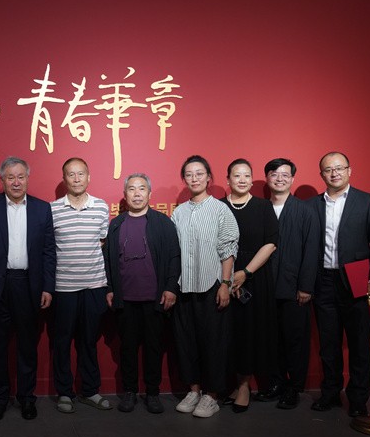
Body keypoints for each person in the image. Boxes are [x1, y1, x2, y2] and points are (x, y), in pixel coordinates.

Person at [0, 156, 56, 421]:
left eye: (21, 176)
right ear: (2, 180)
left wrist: (48, 287)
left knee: (27, 348)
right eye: (10, 177)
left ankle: (27, 398)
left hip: (29, 286)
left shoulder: (42, 209)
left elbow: (49, 251)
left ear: (27, 178)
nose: (16, 182)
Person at [309, 151, 370, 418]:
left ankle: (357, 399)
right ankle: (330, 393)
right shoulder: (312, 205)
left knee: (359, 343)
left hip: (357, 279)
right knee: (328, 343)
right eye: (328, 170)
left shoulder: (367, 201)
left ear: (349, 170)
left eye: (339, 168)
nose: (334, 173)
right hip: (323, 281)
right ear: (322, 174)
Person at [104, 173, 181, 414]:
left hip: (155, 298)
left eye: (141, 189)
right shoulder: (116, 224)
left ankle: (153, 393)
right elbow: (108, 260)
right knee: (127, 348)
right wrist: (110, 289)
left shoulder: (163, 222)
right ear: (125, 195)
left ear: (149, 193)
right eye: (131, 189)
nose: (136, 194)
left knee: (153, 348)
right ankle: (129, 392)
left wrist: (171, 287)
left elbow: (174, 257)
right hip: (125, 298)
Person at [170, 155, 239, 419]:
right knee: (187, 342)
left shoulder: (221, 210)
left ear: (209, 178)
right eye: (189, 174)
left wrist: (225, 284)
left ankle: (212, 395)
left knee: (214, 342)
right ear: (184, 179)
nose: (194, 178)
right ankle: (194, 390)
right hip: (184, 286)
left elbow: (228, 249)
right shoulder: (179, 212)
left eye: (199, 173)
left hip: (212, 285)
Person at [49, 158, 111, 414]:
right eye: (71, 174)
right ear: (64, 179)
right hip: (63, 287)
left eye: (81, 174)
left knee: (89, 341)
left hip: (94, 286)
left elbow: (102, 242)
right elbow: (48, 249)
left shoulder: (101, 206)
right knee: (61, 342)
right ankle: (64, 392)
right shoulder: (52, 209)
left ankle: (90, 390)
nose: (76, 179)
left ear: (89, 177)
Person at [257, 158, 320, 409]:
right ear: (267, 179)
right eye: (274, 174)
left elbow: (312, 251)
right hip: (264, 288)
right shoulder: (261, 209)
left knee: (295, 341)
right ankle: (275, 383)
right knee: (270, 340)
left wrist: (306, 287)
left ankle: (294, 388)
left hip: (294, 288)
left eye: (285, 174)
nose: (279, 178)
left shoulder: (305, 211)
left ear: (292, 179)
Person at [219, 159, 278, 413]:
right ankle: (236, 382)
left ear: (252, 180)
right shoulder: (219, 207)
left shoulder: (263, 206)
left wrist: (246, 272)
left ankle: (244, 386)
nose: (242, 180)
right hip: (223, 276)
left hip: (254, 276)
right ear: (228, 179)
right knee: (230, 332)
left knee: (250, 332)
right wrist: (228, 277)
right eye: (237, 175)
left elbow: (271, 243)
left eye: (246, 176)